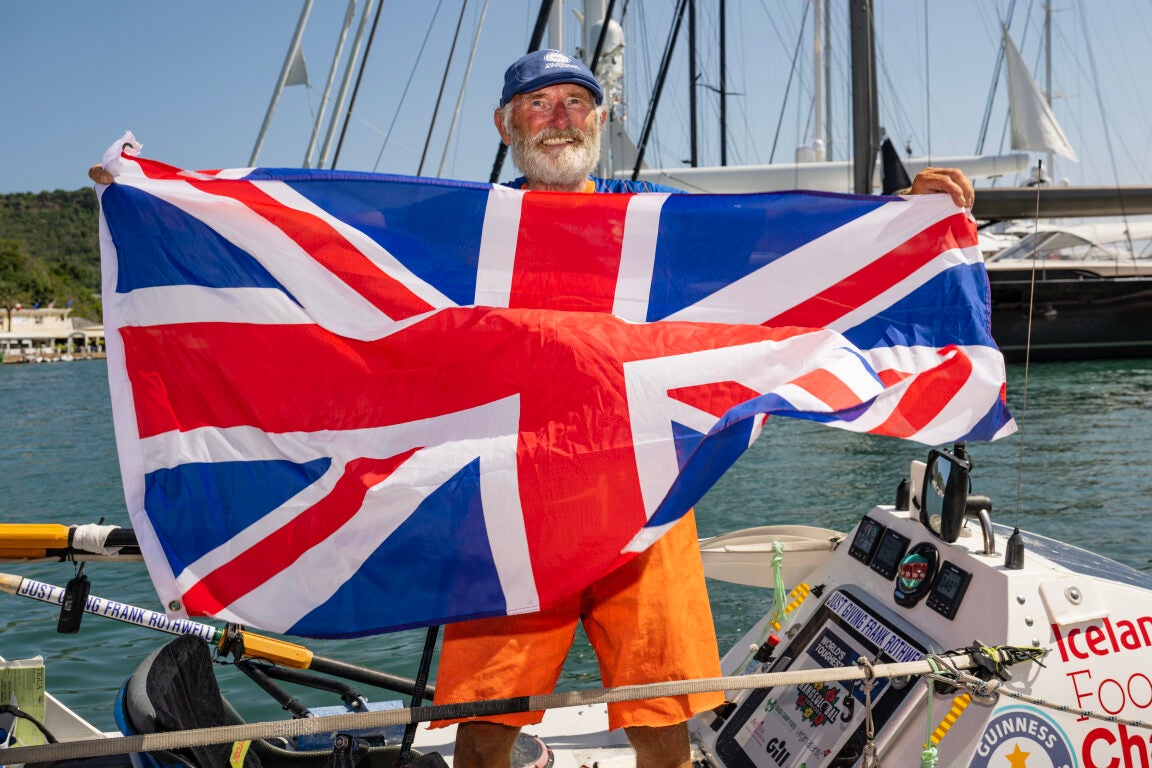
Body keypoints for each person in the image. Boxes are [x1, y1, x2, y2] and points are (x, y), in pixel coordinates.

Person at [87, 49, 976, 768]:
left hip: (644, 495)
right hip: (509, 502)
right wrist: (154, 201)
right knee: (483, 725)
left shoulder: (654, 229)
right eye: (539, 104)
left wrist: (904, 217)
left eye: (576, 102)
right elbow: (321, 250)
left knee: (662, 720)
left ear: (601, 119)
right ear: (508, 127)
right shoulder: (460, 239)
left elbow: (784, 259)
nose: (560, 117)